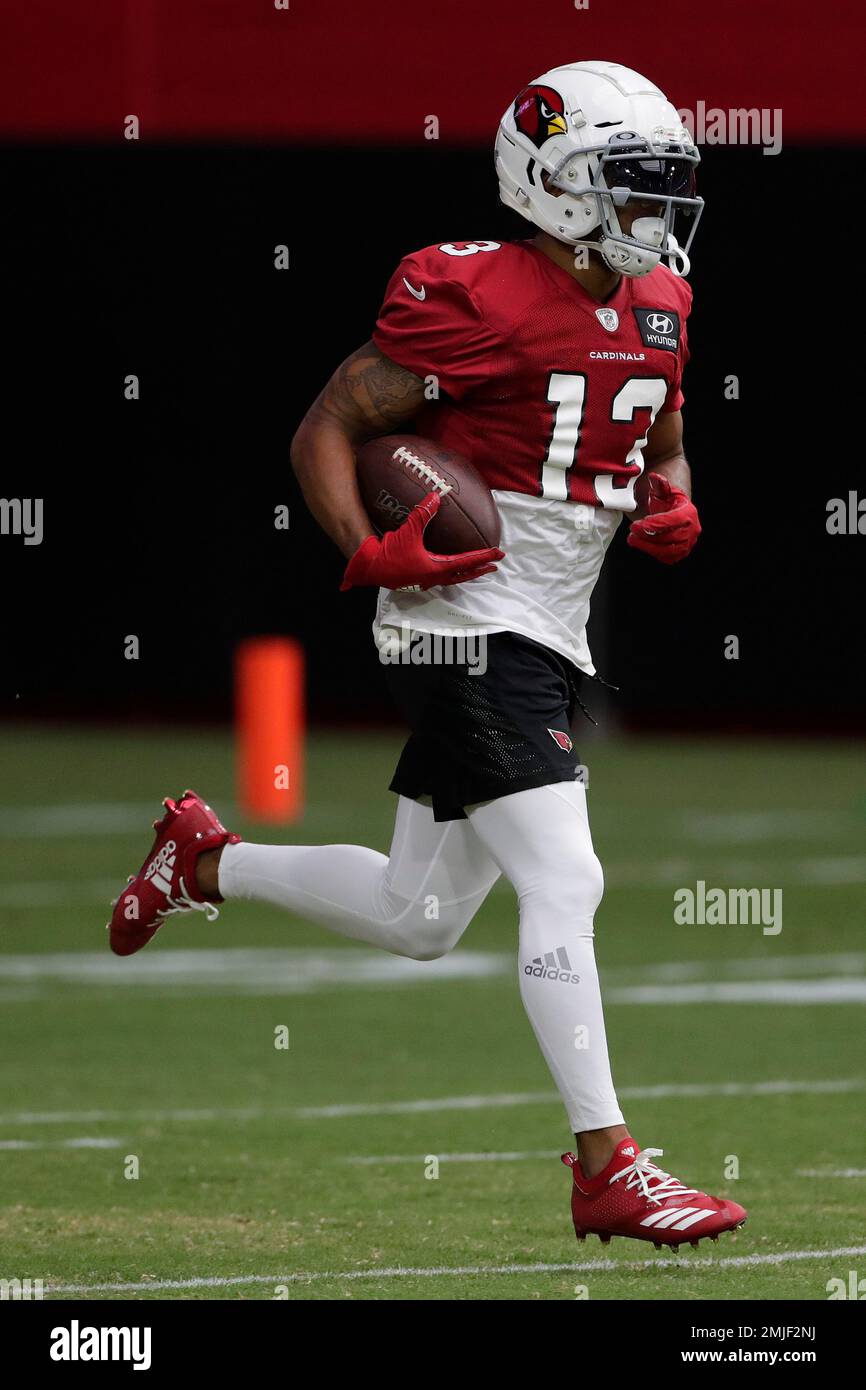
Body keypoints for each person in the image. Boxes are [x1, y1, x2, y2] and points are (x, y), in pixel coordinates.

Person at [109, 60, 746, 1250]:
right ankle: (608, 1163)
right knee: (566, 878)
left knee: (420, 914)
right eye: (629, 184)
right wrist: (371, 553)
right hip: (458, 619)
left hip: (549, 625)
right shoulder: (472, 294)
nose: (653, 214)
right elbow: (328, 427)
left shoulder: (660, 295)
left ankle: (204, 862)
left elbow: (664, 437)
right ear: (552, 182)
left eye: (663, 188)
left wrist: (669, 501)